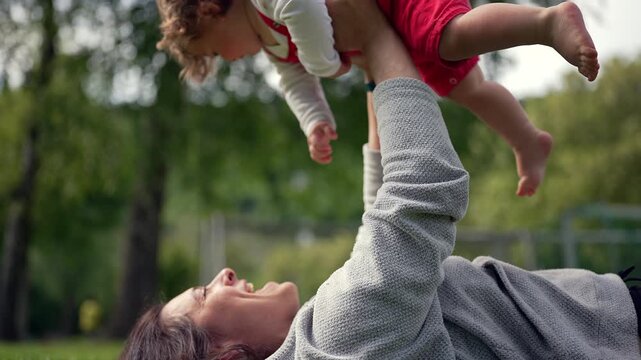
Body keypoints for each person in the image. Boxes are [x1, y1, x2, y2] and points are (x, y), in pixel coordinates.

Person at [122, 1, 639, 359]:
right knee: (450, 42)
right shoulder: (337, 342)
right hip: (618, 333)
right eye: (205, 294)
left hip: (610, 319)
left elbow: (387, 249)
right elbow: (417, 195)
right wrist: (371, 36)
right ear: (227, 357)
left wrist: (376, 65)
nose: (225, 273)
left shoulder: (326, 342)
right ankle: (544, 25)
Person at [155, 0, 599, 197]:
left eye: (215, 50)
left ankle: (545, 23)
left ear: (211, 10)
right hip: (387, 20)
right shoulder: (271, 45)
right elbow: (295, 83)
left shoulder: (265, 3)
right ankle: (527, 140)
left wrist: (326, 62)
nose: (227, 59)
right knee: (464, 86)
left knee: (449, 37)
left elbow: (303, 8)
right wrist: (315, 120)